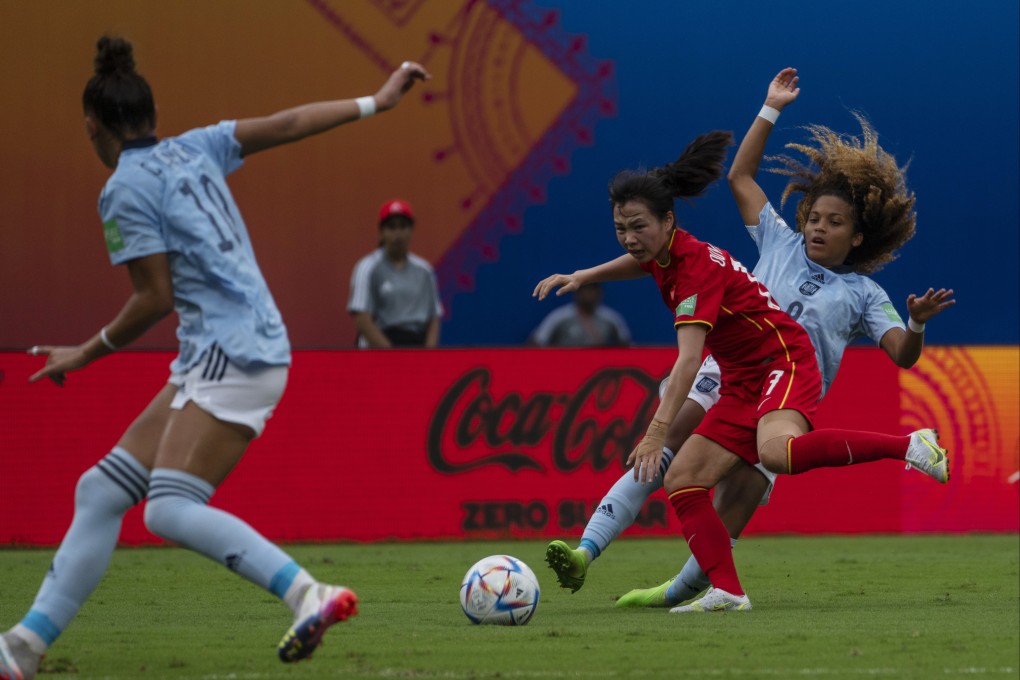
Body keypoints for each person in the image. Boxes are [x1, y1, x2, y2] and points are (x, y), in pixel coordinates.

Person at [0, 36, 430, 679]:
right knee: (100, 491)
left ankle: (306, 593)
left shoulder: (121, 190)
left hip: (236, 354)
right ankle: (23, 648)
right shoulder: (197, 144)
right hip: (221, 351)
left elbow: (153, 298)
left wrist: (82, 354)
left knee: (169, 508)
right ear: (152, 117)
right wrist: (378, 100)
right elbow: (287, 124)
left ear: (94, 127)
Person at [543, 68, 955, 610]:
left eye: (833, 222)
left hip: (783, 376)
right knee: (672, 465)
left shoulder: (863, 292)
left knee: (742, 485)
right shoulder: (779, 241)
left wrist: (918, 322)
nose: (817, 227)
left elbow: (902, 354)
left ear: (856, 236)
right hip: (732, 371)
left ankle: (694, 589)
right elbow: (739, 177)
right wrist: (770, 109)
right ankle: (597, 553)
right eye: (814, 216)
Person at [348, 198, 443, 348]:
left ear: (411, 230)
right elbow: (362, 318)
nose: (398, 233)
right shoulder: (367, 267)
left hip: (416, 344)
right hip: (380, 345)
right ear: (381, 232)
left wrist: (428, 355)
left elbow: (433, 318)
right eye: (391, 227)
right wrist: (391, 355)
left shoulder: (424, 271)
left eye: (403, 227)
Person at [528, 282, 631, 347]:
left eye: (593, 290)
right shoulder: (560, 317)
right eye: (585, 290)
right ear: (576, 293)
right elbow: (537, 341)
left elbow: (626, 344)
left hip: (599, 368)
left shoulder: (610, 318)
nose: (589, 294)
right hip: (566, 367)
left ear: (600, 293)